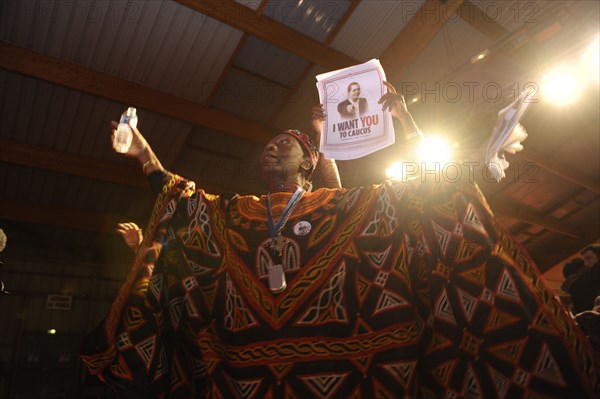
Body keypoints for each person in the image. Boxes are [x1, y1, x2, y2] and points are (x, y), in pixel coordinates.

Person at [81, 84, 599, 398]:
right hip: (245, 372)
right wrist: (140, 150)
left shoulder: (340, 204)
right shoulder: (233, 214)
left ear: (306, 161)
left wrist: (449, 148)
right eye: (265, 148)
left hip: (359, 372)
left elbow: (419, 197)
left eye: (282, 145)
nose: (270, 151)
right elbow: (182, 198)